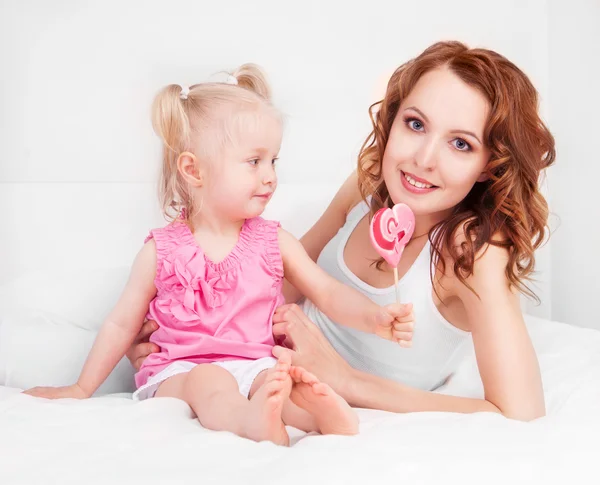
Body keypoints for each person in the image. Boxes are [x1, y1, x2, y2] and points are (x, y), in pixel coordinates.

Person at [129, 41, 555, 422]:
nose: (423, 159)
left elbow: (520, 411)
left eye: (460, 144)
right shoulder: (369, 184)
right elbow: (288, 283)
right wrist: (185, 338)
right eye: (416, 124)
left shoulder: (473, 251)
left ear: (488, 166)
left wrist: (348, 381)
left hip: (306, 391)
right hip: (252, 360)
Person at [22, 64, 415, 446]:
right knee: (211, 381)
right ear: (194, 171)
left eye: (273, 160)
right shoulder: (161, 251)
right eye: (254, 161)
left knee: (283, 378)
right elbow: (119, 325)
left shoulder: (273, 241)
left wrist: (375, 318)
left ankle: (318, 416)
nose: (270, 176)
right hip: (180, 373)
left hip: (253, 364)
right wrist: (81, 386)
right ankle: (247, 421)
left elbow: (326, 292)